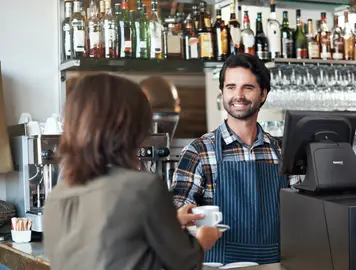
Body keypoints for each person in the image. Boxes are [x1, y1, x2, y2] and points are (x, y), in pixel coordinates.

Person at [43, 73, 222, 270]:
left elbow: (107, 243)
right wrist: (203, 241)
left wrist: (170, 221)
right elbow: (186, 263)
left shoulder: (55, 198)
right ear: (132, 127)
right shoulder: (144, 188)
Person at [170, 54, 301, 265]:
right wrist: (186, 217)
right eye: (231, 87)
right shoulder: (199, 152)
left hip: (275, 264)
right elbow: (179, 208)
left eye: (247, 87)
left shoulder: (281, 151)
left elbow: (300, 210)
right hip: (221, 264)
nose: (237, 95)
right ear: (222, 92)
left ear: (263, 94)